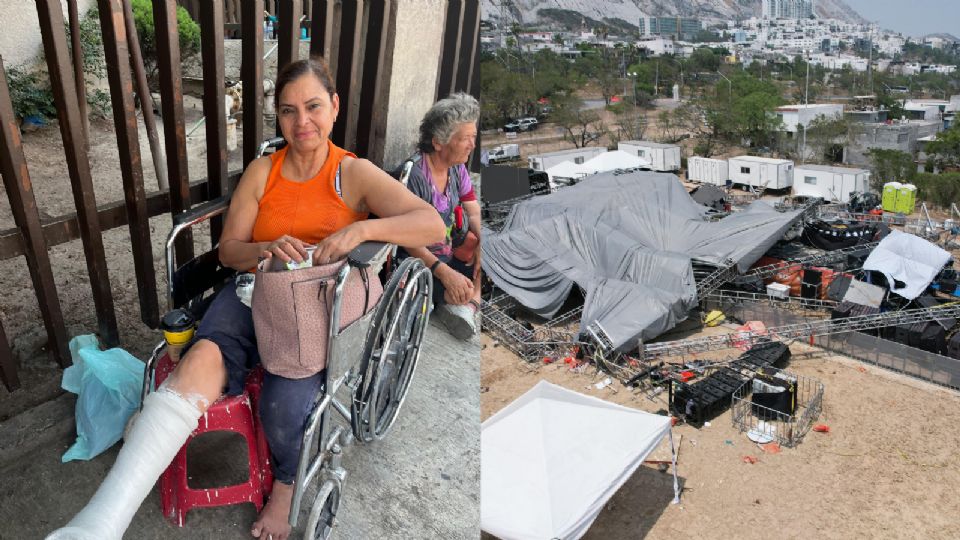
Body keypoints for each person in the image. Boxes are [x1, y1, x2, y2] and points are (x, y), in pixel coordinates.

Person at [47, 58, 445, 540]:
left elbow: (432, 225)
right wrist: (264, 248)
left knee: (283, 404)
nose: (303, 123)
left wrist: (362, 227)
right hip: (254, 292)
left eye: (314, 107)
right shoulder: (263, 171)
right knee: (201, 360)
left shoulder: (353, 174)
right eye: (288, 111)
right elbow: (230, 252)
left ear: (334, 107)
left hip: (318, 308)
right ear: (277, 117)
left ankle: (284, 485)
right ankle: (98, 526)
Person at [401, 93, 482, 340]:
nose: (472, 145)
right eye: (464, 138)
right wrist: (444, 272)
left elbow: (473, 209)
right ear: (438, 142)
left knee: (487, 250)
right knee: (452, 288)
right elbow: (406, 239)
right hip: (423, 259)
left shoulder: (457, 169)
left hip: (449, 249)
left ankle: (468, 304)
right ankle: (458, 301)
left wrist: (484, 243)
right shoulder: (413, 176)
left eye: (473, 137)